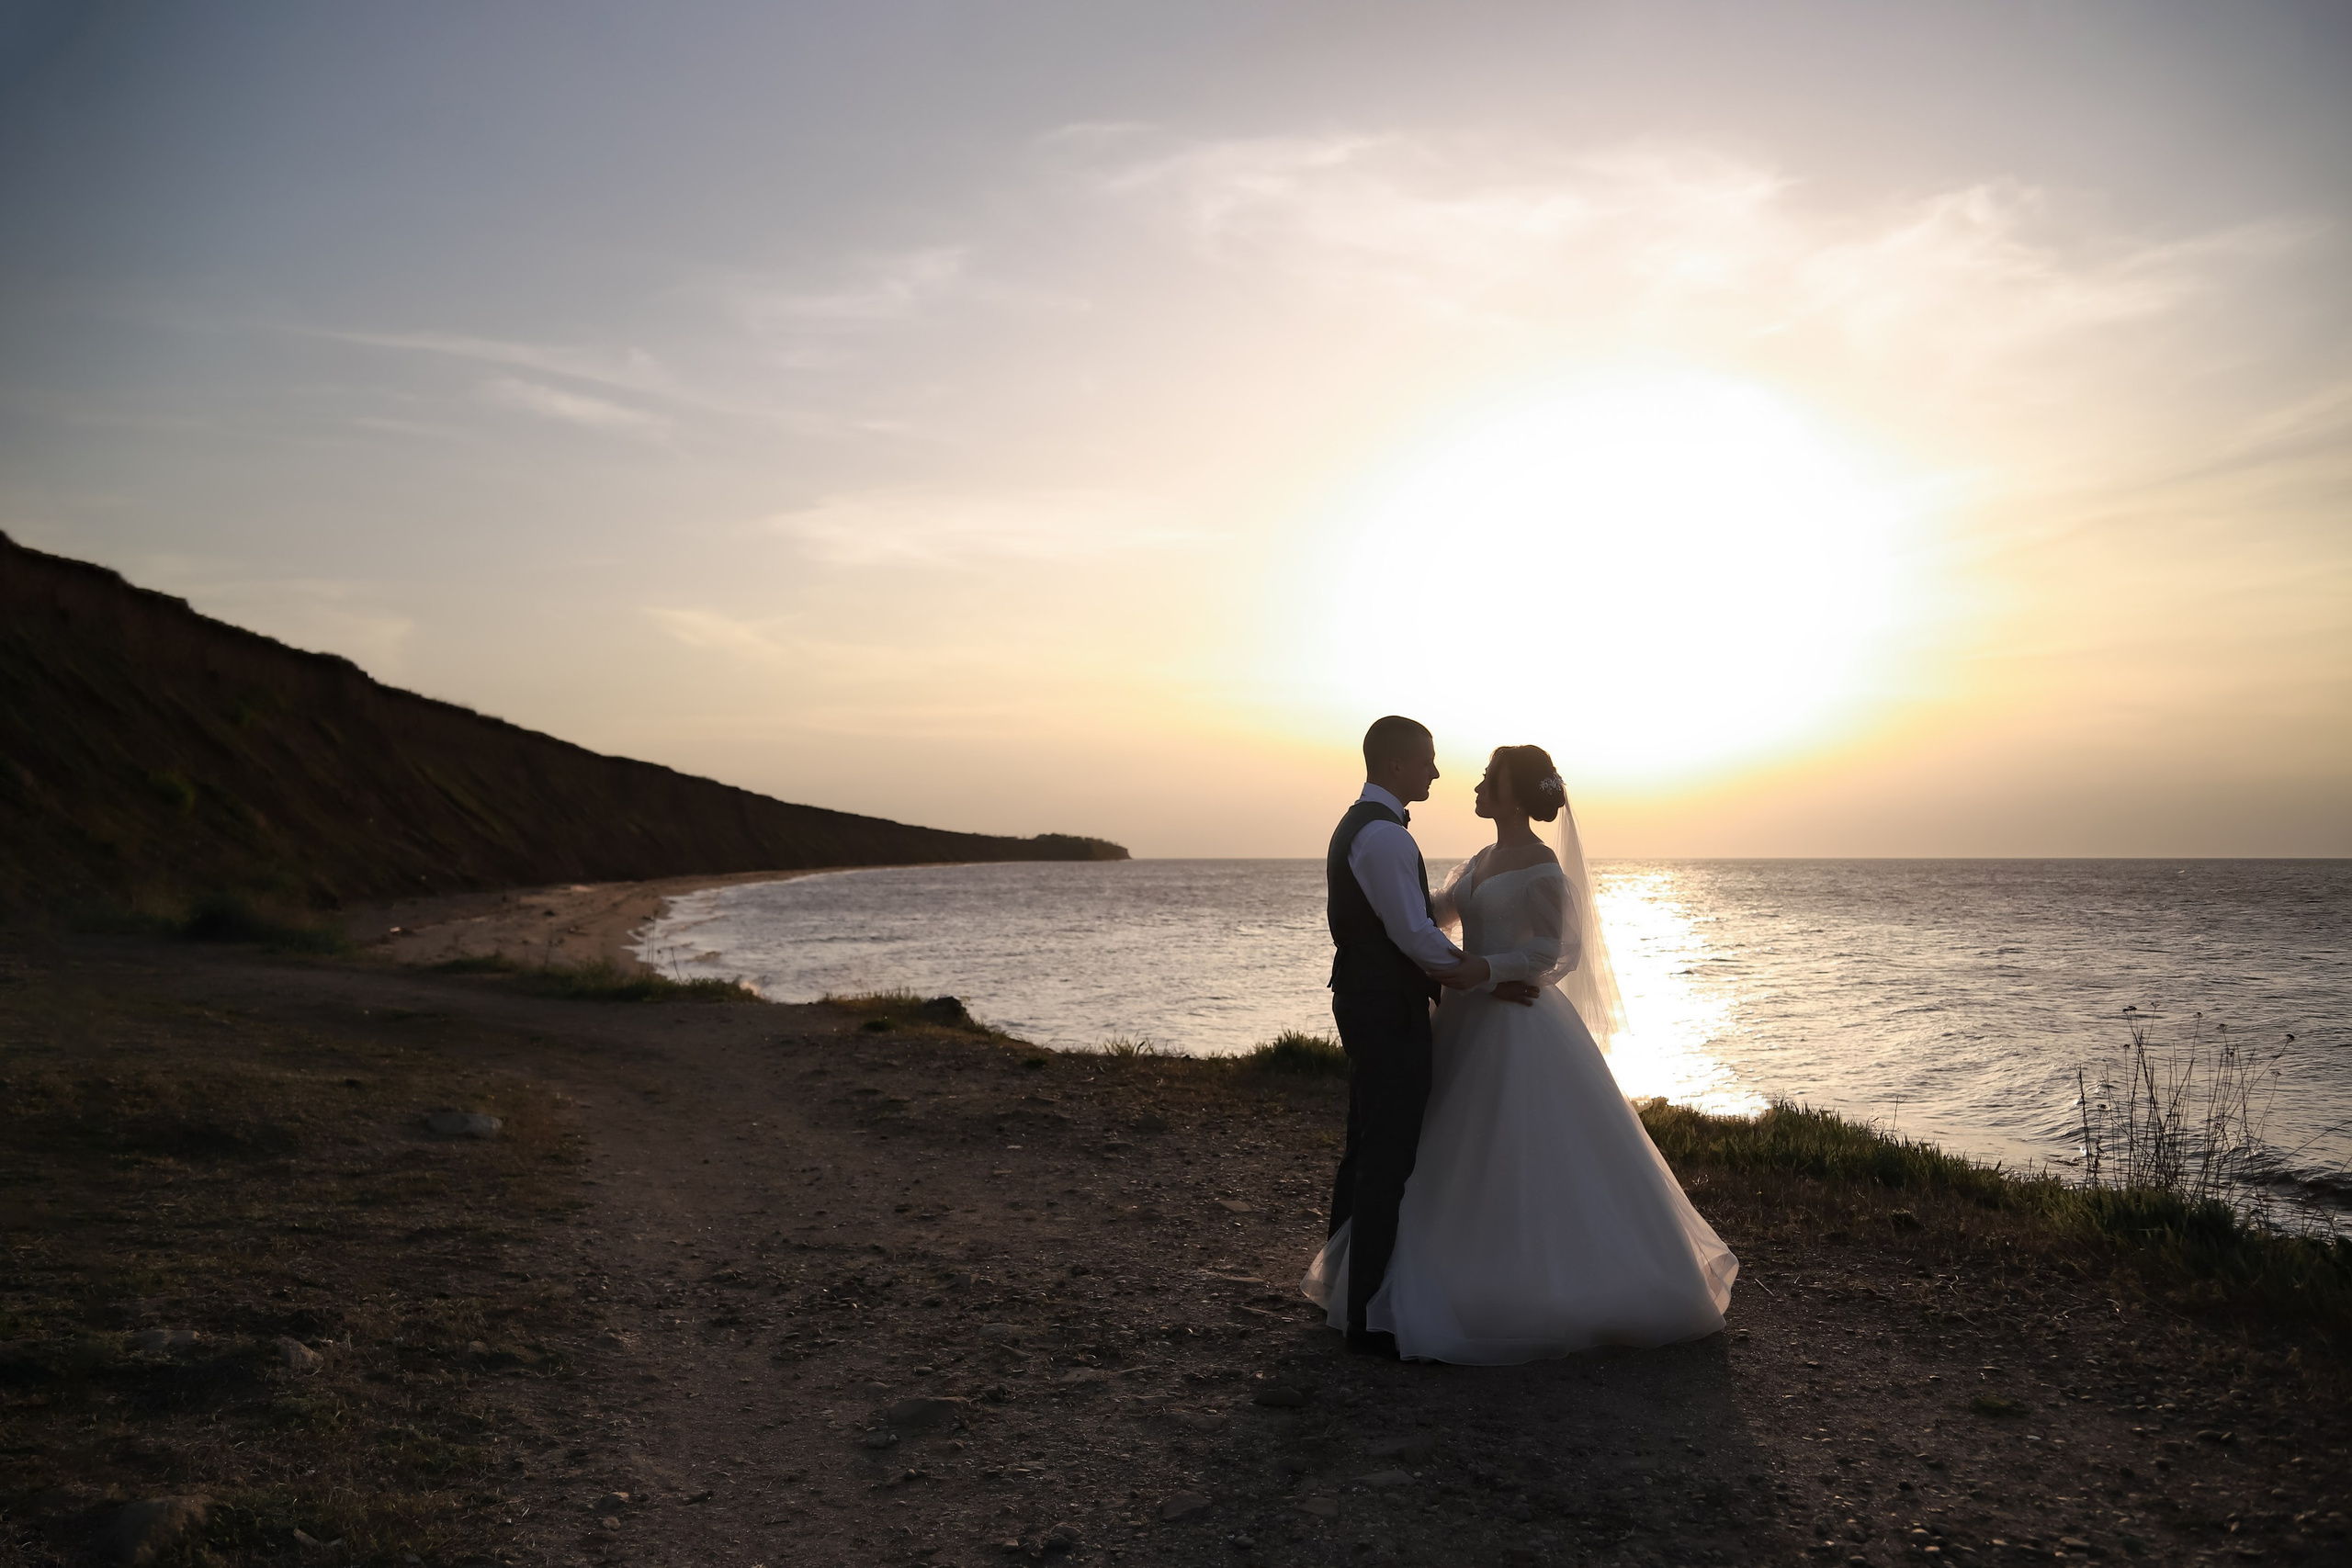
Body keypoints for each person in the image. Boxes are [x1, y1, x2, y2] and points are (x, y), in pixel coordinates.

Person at [1305, 741, 1738, 1362]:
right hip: (1468, 1013)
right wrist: (1384, 917)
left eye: (1490, 779)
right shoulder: (1480, 859)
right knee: (1433, 1145)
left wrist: (1483, 969)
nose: (1476, 786)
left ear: (1515, 794)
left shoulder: (1542, 869)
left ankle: (1540, 1279)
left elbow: (1555, 954)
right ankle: (1400, 1272)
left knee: (1523, 1148)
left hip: (1518, 1017)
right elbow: (1433, 916)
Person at [1313, 716, 1538, 1359]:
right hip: (1386, 1006)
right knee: (1387, 1155)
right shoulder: (1383, 837)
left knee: (1366, 1146)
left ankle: (1344, 1289)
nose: (1437, 772)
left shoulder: (1370, 827)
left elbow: (1414, 924)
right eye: (1428, 761)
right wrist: (1483, 979)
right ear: (1395, 767)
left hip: (1370, 998)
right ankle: (1367, 1316)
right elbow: (1412, 935)